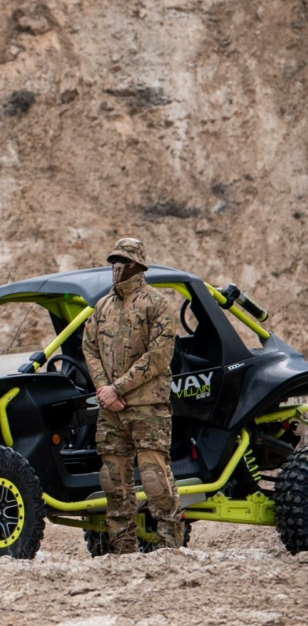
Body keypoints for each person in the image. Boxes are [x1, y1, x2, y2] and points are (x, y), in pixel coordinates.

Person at [81, 237, 184, 553]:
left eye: (123, 261)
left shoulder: (156, 304)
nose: (117, 268)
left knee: (155, 478)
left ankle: (170, 548)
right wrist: (104, 389)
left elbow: (158, 356)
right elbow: (89, 347)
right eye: (113, 261)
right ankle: (122, 550)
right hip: (111, 409)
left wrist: (117, 388)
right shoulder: (103, 306)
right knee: (113, 482)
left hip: (147, 407)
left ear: (138, 265)